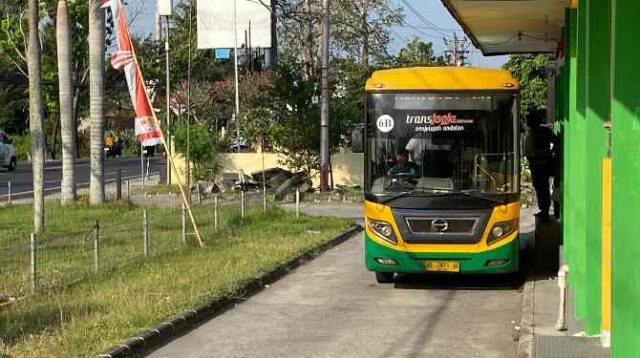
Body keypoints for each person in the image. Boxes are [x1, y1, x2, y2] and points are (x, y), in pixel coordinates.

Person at [524, 109, 556, 219]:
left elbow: (553, 142)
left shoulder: (542, 132)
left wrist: (545, 153)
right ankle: (543, 209)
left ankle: (545, 210)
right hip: (537, 165)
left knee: (543, 188)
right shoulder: (536, 132)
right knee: (539, 187)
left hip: (541, 165)